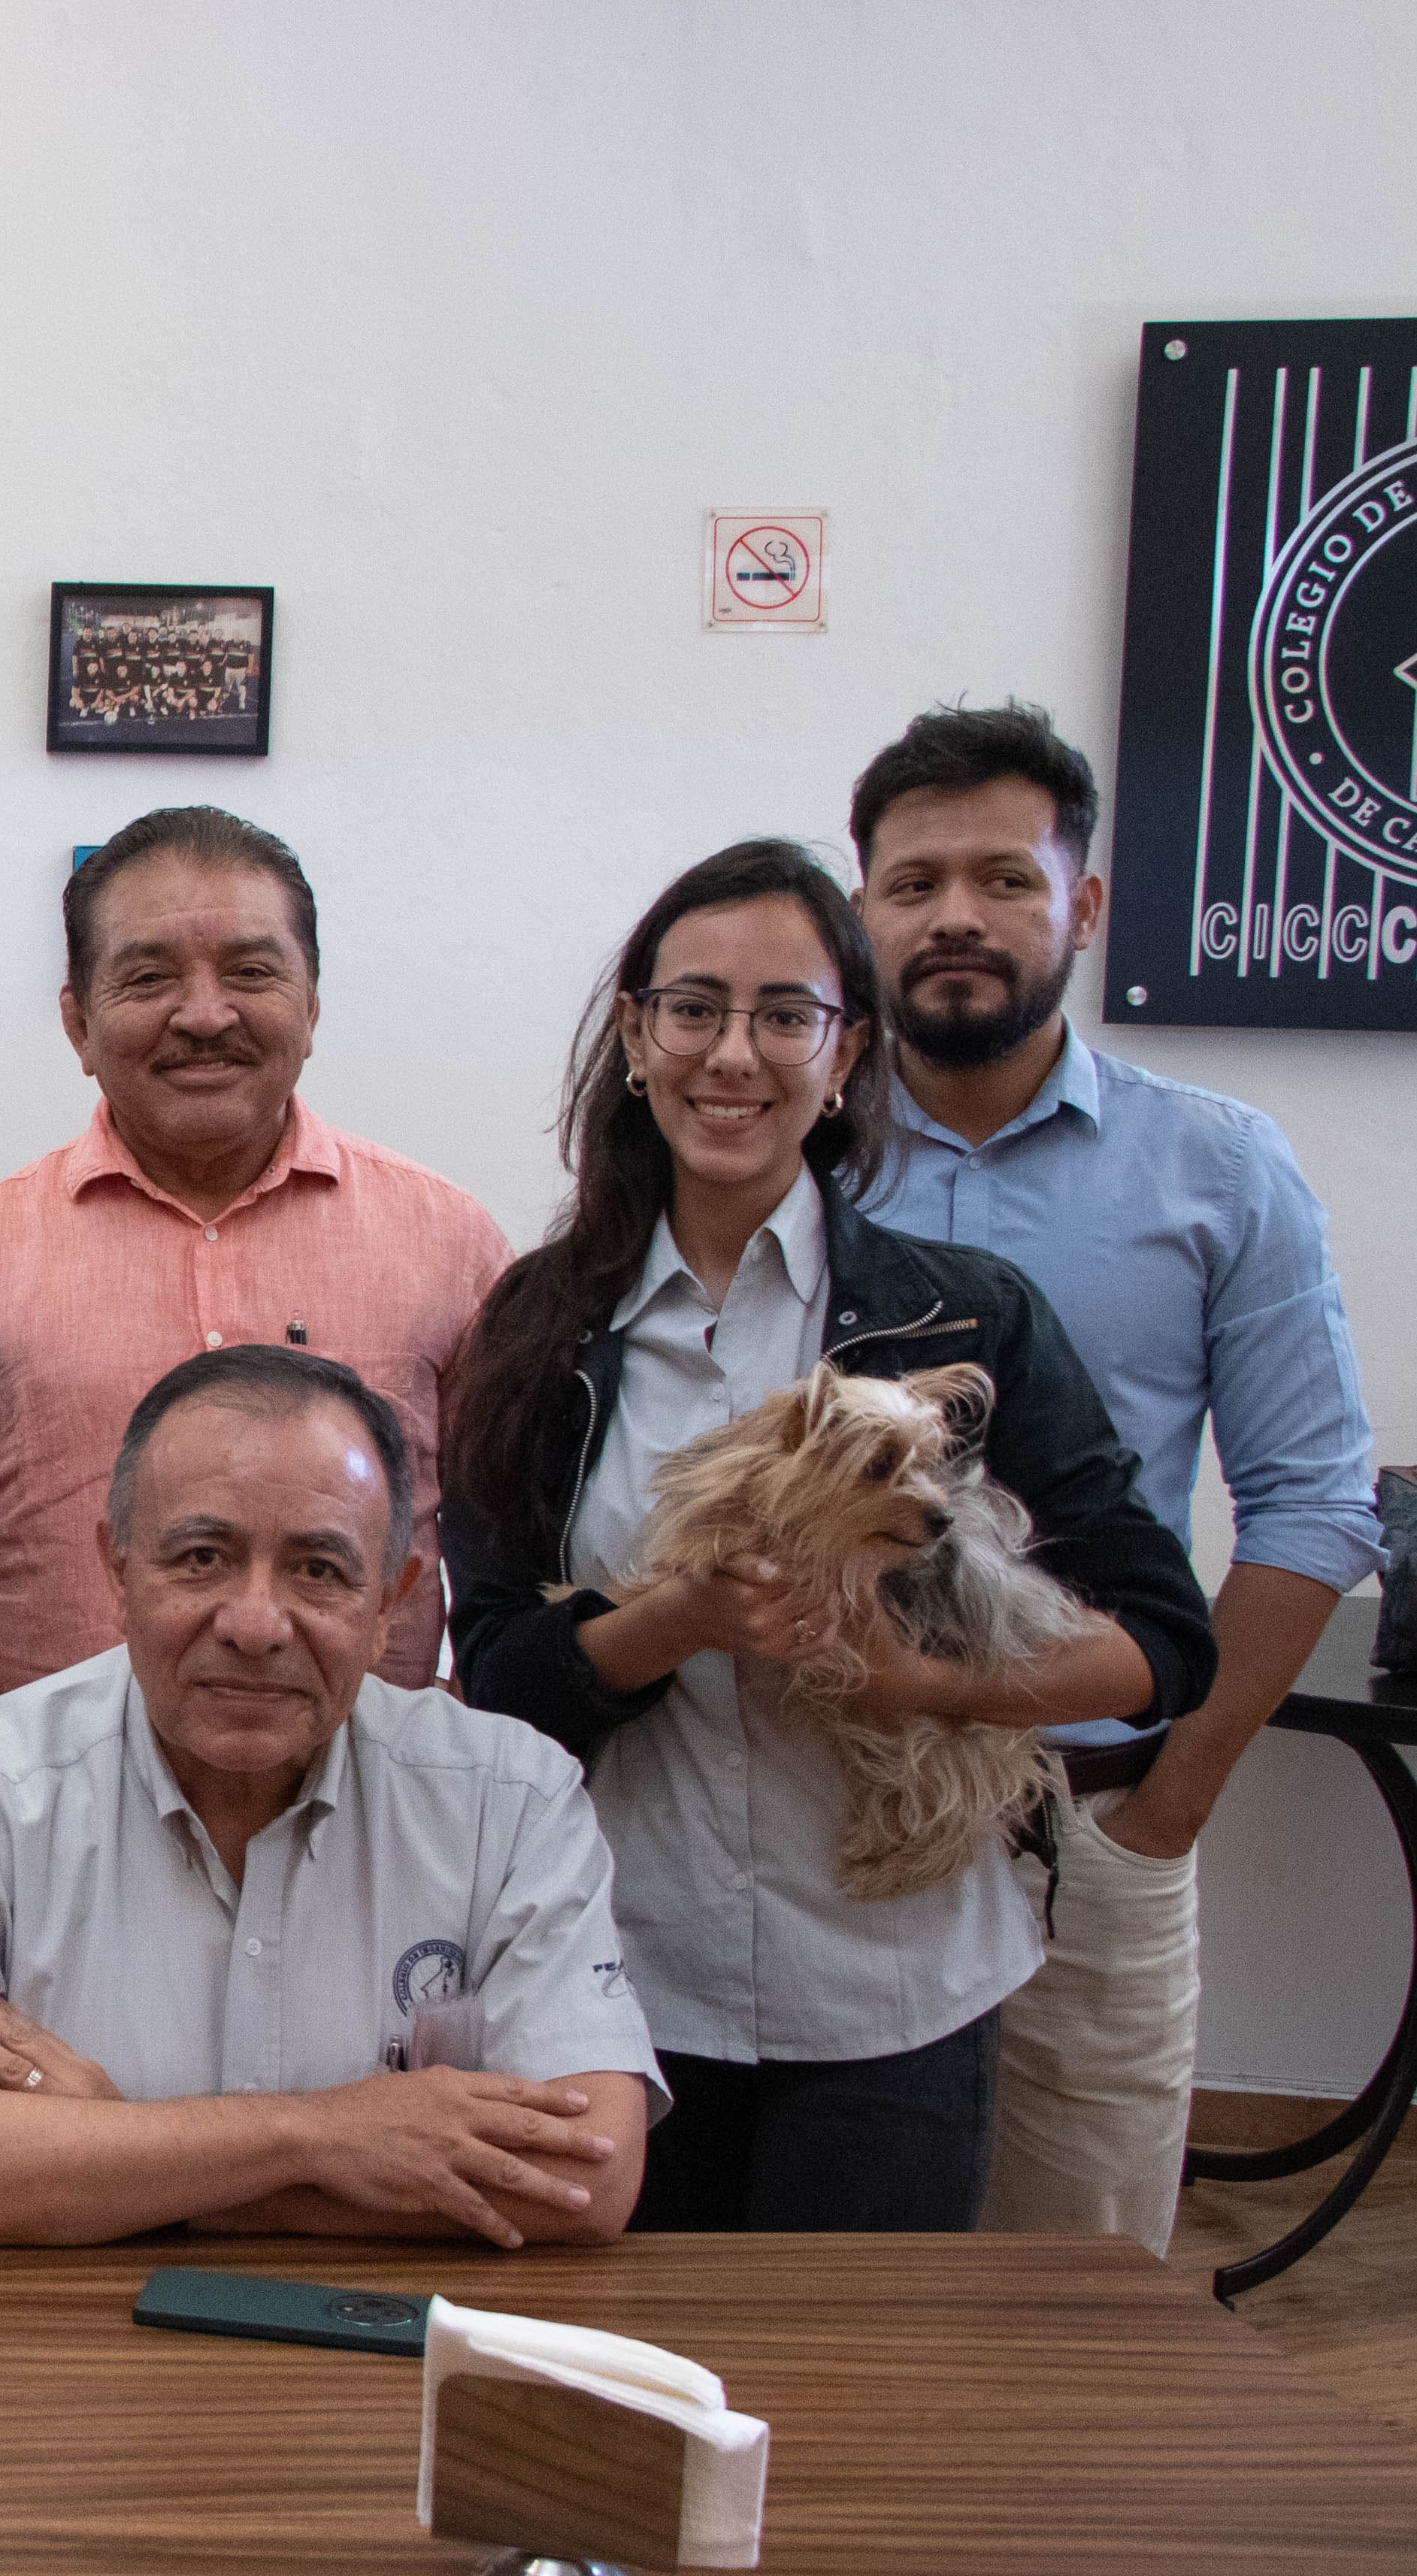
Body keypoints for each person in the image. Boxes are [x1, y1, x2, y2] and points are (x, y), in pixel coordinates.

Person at [434, 840, 1218, 2232]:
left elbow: (1164, 1647)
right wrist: (681, 1620)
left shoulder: (967, 1319)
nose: (734, 1055)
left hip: (892, 1989)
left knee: (862, 2413)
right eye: (694, 1008)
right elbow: (499, 1683)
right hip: (616, 1989)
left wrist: (915, 1681)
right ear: (634, 1034)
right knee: (623, 2411)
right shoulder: (537, 1329)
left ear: (846, 1053)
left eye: (786, 1015)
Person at [848, 704, 1376, 2254]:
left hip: (1091, 1811)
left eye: (1005, 877)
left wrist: (1171, 1795)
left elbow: (1313, 1505)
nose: (956, 915)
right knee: (818, 2269)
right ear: (860, 908)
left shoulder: (1216, 1168)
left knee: (1077, 2274)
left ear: (1080, 907)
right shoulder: (784, 1160)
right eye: (913, 880)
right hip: (827, 1808)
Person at [0, 1349, 659, 2248]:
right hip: (55, 2365)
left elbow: (583, 2173)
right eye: (202, 1558)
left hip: (387, 2362)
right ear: (117, 1571)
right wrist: (330, 2132)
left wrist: (120, 2148)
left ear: (391, 1604)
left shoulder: (510, 1802)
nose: (254, 1625)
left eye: (320, 1570)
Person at [0, 808, 512, 1736]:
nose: (206, 1014)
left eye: (252, 972)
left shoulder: (451, 1246)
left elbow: (500, 1575)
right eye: (149, 978)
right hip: (57, 1833)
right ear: (79, 1023)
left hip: (369, 1830)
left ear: (313, 1004)